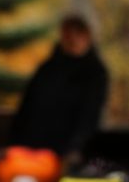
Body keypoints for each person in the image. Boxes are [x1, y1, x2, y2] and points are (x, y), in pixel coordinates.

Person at [8, 15, 109, 161]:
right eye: (67, 36)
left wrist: (75, 148)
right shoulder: (48, 68)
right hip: (31, 149)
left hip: (67, 151)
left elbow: (90, 116)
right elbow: (27, 106)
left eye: (76, 35)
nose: (71, 40)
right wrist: (16, 143)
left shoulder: (95, 73)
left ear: (86, 37)